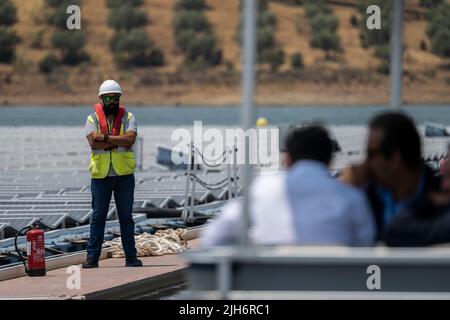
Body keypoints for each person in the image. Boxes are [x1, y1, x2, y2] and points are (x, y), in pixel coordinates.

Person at [201, 125, 375, 247]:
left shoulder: (264, 187)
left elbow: (213, 236)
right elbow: (364, 245)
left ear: (288, 159)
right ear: (330, 160)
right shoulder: (351, 197)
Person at [341, 112, 441, 241]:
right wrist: (344, 192)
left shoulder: (442, 197)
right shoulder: (364, 195)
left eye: (371, 155)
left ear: (394, 159)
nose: (366, 163)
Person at [82, 80, 142, 268]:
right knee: (98, 217)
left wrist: (106, 137)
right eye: (108, 98)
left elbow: (130, 140)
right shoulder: (92, 119)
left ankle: (131, 258)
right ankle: (92, 259)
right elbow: (94, 144)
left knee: (126, 217)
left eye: (116, 97)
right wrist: (118, 141)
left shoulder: (129, 117)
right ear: (101, 99)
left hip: (124, 176)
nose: (112, 101)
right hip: (101, 176)